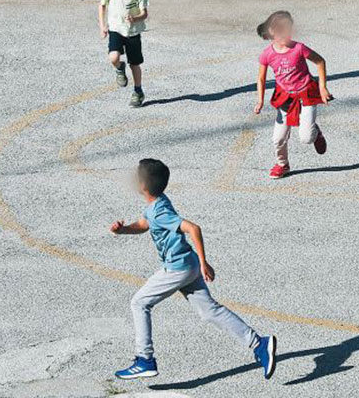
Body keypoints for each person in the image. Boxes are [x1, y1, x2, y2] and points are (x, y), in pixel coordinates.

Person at [110, 159, 277, 380]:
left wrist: (204, 262)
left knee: (139, 303)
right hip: (187, 265)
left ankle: (145, 359)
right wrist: (123, 230)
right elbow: (143, 224)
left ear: (143, 185)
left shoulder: (159, 211)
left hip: (177, 268)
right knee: (209, 311)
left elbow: (193, 228)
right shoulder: (156, 204)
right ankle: (259, 344)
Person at [254, 11, 333, 179]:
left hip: (306, 95)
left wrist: (322, 87)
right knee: (278, 138)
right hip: (285, 98)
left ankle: (316, 132)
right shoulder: (267, 54)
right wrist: (260, 100)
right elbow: (261, 79)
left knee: (306, 138)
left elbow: (320, 61)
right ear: (272, 32)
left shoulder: (299, 48)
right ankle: (282, 164)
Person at [98, 0, 149, 107]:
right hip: (116, 29)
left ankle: (138, 91)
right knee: (113, 57)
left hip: (132, 32)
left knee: (134, 64)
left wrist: (135, 18)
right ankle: (120, 67)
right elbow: (102, 6)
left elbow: (144, 13)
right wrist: (103, 26)